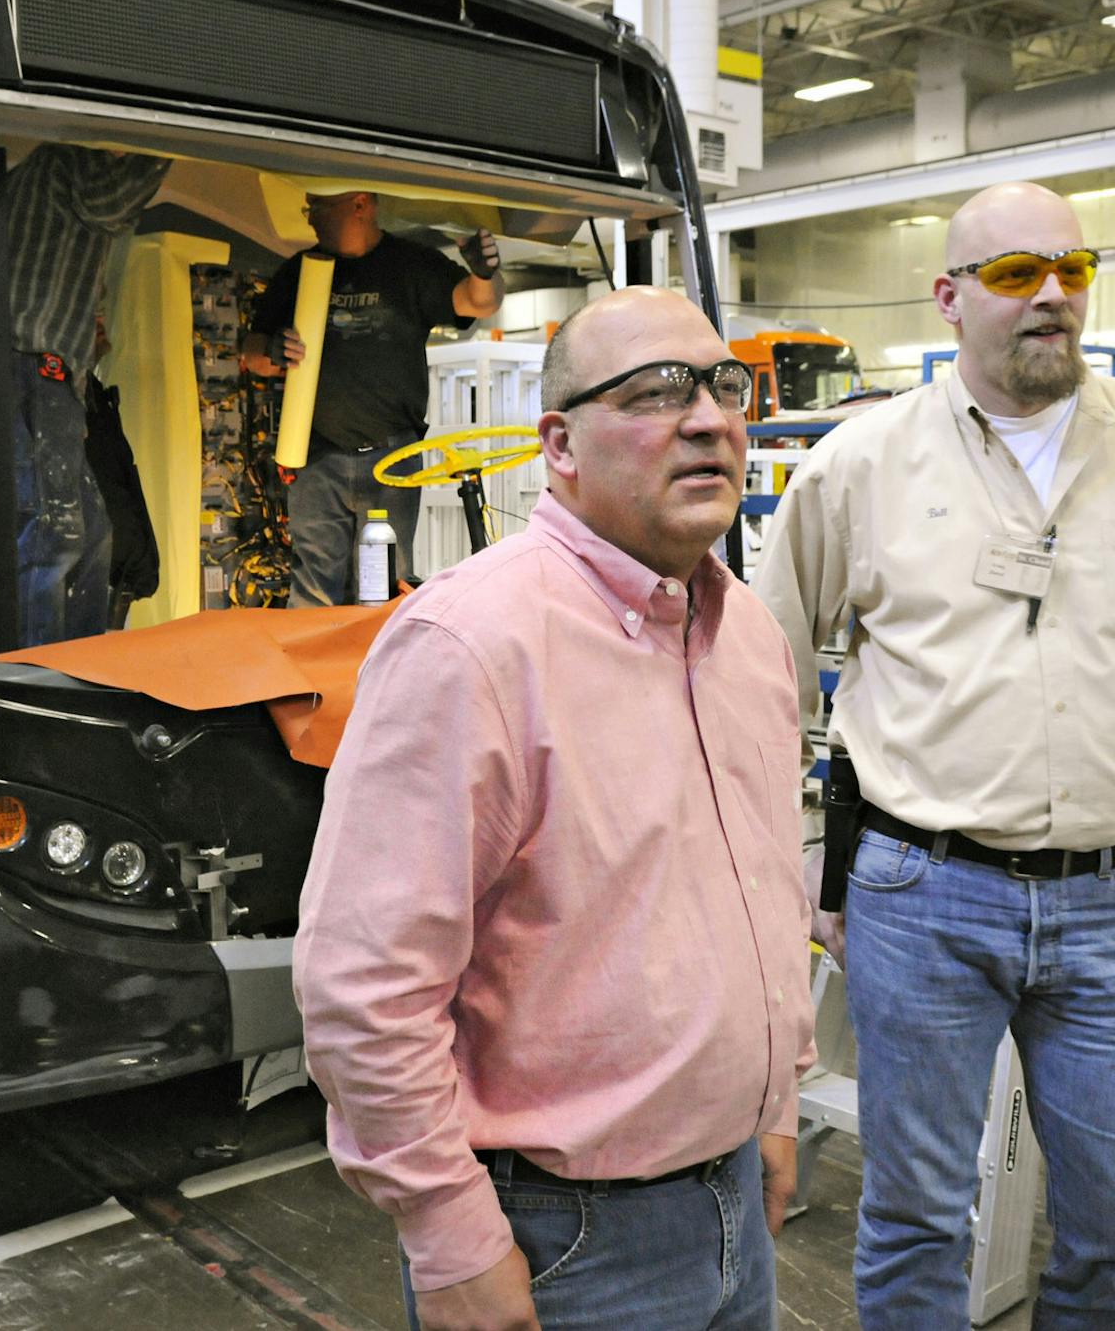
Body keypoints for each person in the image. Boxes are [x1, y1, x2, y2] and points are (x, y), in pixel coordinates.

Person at [755, 181, 1115, 1327]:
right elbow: (761, 674)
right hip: (918, 896)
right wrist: (805, 859)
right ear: (948, 297)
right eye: (1015, 273)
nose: (1051, 295)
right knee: (915, 1219)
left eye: (1071, 270)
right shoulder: (860, 463)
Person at [295, 286, 815, 1331]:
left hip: (734, 1200)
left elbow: (757, 891)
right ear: (560, 444)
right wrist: (449, 1236)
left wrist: (775, 1103)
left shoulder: (748, 636)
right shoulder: (471, 644)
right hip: (563, 1242)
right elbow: (365, 984)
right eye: (657, 391)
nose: (708, 418)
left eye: (722, 386)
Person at [241, 191, 503, 605]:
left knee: (386, 587)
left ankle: (381, 650)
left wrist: (485, 274)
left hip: (392, 457)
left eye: (318, 208)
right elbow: (252, 353)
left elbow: (478, 302)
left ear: (360, 205)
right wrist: (272, 352)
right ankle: (318, 651)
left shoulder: (412, 265)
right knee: (313, 589)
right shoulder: (299, 272)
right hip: (315, 457)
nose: (311, 219)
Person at [6, 143, 168, 645]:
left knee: (94, 531)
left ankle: (82, 656)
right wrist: (165, 146)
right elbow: (111, 200)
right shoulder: (66, 161)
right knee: (55, 531)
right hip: (37, 369)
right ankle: (40, 668)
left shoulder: (35, 181)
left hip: (47, 373)